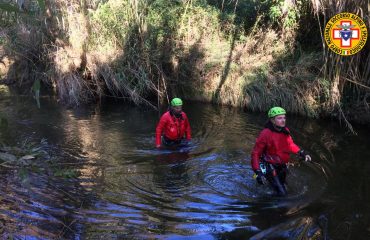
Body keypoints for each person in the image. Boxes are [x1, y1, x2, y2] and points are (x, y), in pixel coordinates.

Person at [251, 106, 311, 196]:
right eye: (279, 118)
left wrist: (301, 152)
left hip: (281, 165)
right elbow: (256, 153)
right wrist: (257, 171)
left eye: (284, 118)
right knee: (282, 193)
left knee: (281, 185)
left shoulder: (285, 131)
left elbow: (290, 144)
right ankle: (278, 208)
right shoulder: (265, 134)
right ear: (272, 120)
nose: (283, 120)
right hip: (269, 166)